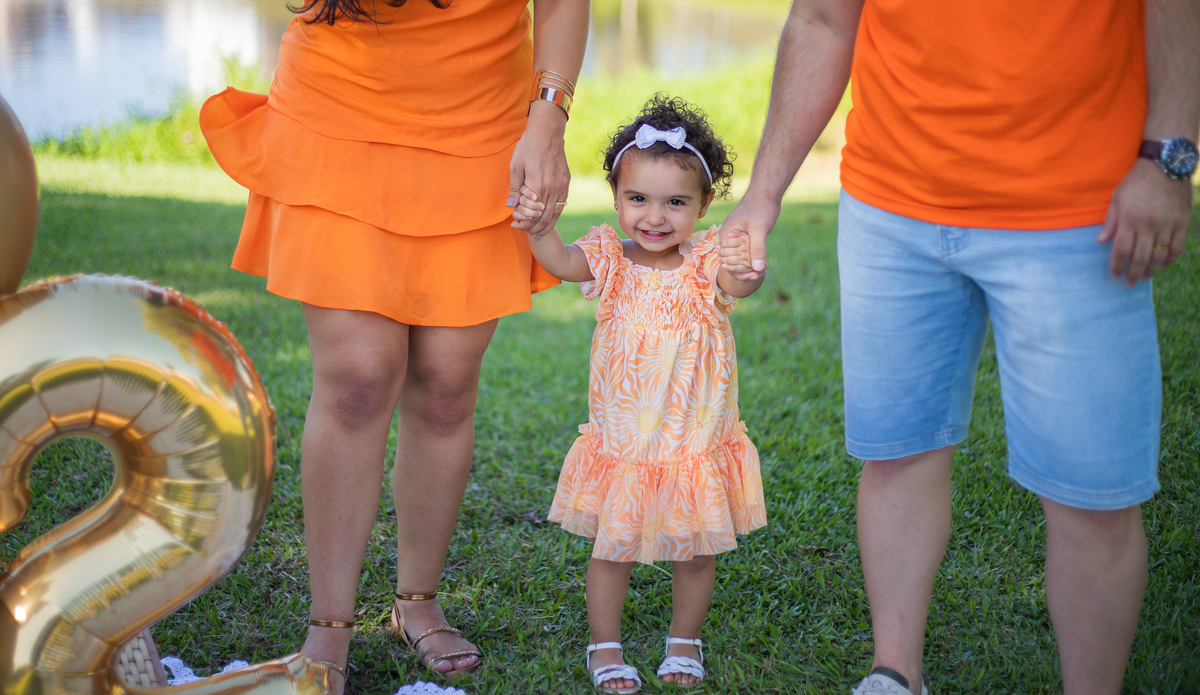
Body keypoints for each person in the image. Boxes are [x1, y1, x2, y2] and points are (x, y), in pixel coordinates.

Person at [720, 0, 1199, 693]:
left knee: (1094, 498)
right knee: (896, 452)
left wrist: (1168, 158)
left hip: (1076, 209)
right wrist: (762, 195)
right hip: (891, 205)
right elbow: (824, 18)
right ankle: (895, 673)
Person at [197, 0, 588, 690]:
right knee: (357, 376)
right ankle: (329, 626)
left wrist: (548, 114)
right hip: (341, 106)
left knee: (445, 383)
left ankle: (416, 600)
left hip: (481, 116)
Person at [510, 95, 767, 693]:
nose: (655, 216)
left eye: (676, 202)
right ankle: (605, 645)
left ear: (704, 205)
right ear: (618, 198)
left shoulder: (706, 261)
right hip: (625, 442)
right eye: (638, 199)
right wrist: (540, 228)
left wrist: (745, 265)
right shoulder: (608, 258)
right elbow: (559, 261)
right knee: (614, 548)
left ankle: (684, 640)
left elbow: (742, 282)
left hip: (692, 440)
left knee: (696, 551)